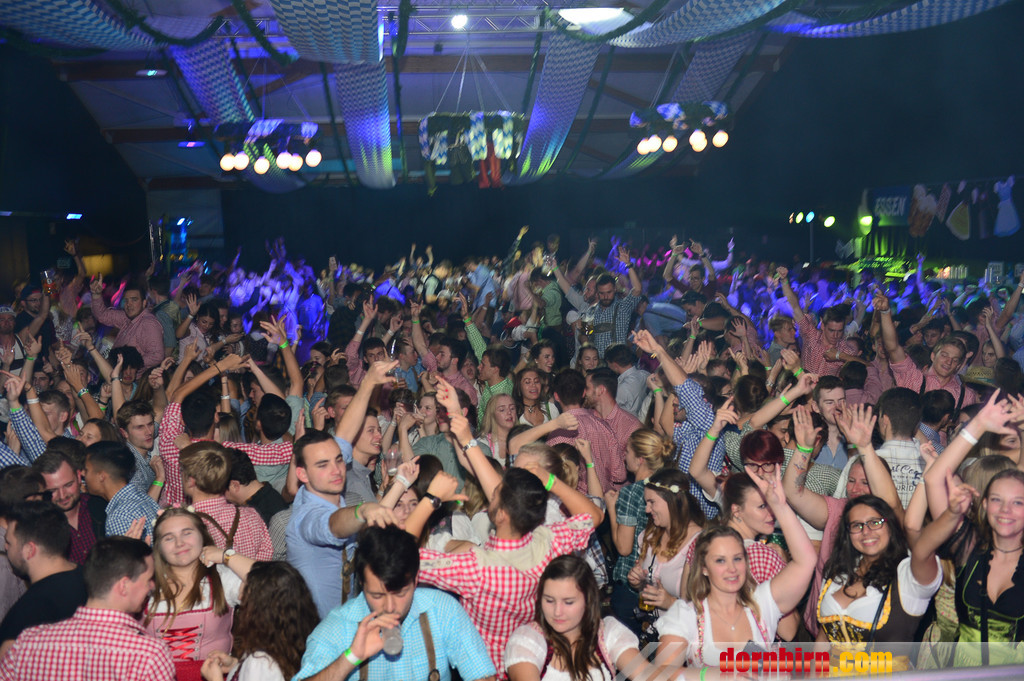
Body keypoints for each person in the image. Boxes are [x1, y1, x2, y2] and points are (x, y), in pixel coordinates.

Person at [656, 469, 815, 668]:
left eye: (738, 559)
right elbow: (662, 674)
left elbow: (807, 561)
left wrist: (780, 506)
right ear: (704, 568)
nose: (732, 568)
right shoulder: (687, 616)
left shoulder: (761, 603)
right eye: (720, 561)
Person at [294, 525, 497, 681]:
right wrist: (351, 656)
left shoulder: (441, 609)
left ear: (416, 580)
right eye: (377, 595)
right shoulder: (339, 626)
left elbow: (483, 675)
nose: (390, 607)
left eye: (400, 593)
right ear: (362, 584)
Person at [0, 536, 174, 681]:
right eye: (148, 579)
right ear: (124, 586)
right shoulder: (149, 655)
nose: (152, 586)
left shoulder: (28, 642)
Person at [287, 424, 397, 618]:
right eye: (323, 465)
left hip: (348, 619)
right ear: (302, 474)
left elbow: (346, 431)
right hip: (318, 628)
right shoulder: (306, 516)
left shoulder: (329, 493)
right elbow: (333, 525)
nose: (336, 470)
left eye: (339, 460)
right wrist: (361, 511)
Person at [144, 507, 256, 681]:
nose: (179, 543)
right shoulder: (145, 584)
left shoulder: (221, 578)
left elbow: (273, 586)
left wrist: (227, 556)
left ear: (202, 536)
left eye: (187, 533)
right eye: (169, 538)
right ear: (158, 547)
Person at [505, 555, 652, 681]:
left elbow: (647, 676)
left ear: (588, 600)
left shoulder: (606, 632)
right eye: (549, 600)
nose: (557, 611)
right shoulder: (528, 640)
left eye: (568, 602)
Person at [604, 428, 673, 636]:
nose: (624, 457)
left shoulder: (632, 493)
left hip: (631, 586)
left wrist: (611, 508)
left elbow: (624, 548)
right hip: (662, 585)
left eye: (627, 452)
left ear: (640, 459)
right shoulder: (669, 487)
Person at [199, 562, 319, 681]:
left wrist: (215, 679)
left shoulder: (260, 662)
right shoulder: (293, 647)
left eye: (246, 592)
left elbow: (262, 671)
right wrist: (235, 665)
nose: (240, 598)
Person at [0, 501, 88, 656]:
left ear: (30, 550)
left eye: (9, 542)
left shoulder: (26, 614)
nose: (6, 548)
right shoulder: (93, 581)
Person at [179, 442, 274, 561]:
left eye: (181, 470)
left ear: (191, 481)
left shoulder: (185, 525)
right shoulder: (252, 516)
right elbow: (263, 562)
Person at [626, 470, 704, 614]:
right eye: (646, 503)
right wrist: (638, 581)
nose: (647, 510)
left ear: (672, 500)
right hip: (653, 625)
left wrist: (670, 603)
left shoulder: (700, 543)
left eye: (652, 502)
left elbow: (704, 608)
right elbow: (646, 583)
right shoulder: (651, 535)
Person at [32, 447, 105, 564]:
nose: (62, 496)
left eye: (68, 485)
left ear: (79, 476)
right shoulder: (39, 527)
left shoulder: (102, 506)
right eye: (52, 491)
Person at [83, 441, 160, 538]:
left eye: (86, 470)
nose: (82, 474)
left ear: (102, 476)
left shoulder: (120, 516)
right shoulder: (142, 499)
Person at [90, 279, 165, 369]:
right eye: (126, 300)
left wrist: (129, 365)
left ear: (144, 303)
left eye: (134, 300)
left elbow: (157, 356)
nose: (129, 304)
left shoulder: (148, 323)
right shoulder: (126, 317)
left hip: (133, 377)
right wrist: (96, 295)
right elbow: (102, 315)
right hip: (118, 373)